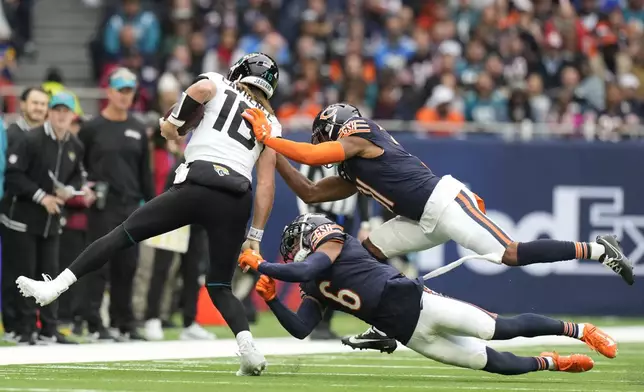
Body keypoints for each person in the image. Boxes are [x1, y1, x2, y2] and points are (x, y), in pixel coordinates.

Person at [240, 102, 635, 353]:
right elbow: (310, 192)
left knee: (508, 254)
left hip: (443, 203)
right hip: (417, 218)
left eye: (324, 135)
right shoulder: (352, 164)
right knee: (366, 252)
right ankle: (386, 324)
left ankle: (599, 248)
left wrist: (271, 139)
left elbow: (312, 152)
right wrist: (273, 156)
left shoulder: (361, 135)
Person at [17, 52, 281, 376]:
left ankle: (54, 287)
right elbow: (266, 184)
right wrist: (254, 236)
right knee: (219, 285)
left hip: (198, 184)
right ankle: (248, 348)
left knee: (121, 235)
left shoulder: (218, 82)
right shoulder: (273, 123)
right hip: (236, 197)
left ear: (238, 72)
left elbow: (199, 90)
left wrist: (172, 125)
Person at [240, 213, 617, 375]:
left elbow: (306, 268)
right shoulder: (311, 282)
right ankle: (554, 362)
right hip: (410, 334)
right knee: (493, 364)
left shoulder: (332, 241)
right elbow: (302, 327)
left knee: (498, 329)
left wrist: (262, 266)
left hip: (419, 304)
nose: (293, 253)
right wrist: (273, 299)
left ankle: (581, 330)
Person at [71, 67, 154, 341]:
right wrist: (83, 189)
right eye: (120, 90)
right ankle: (94, 321)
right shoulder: (92, 128)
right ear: (109, 92)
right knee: (99, 264)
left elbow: (145, 174)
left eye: (129, 91)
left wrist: (152, 207)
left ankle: (124, 321)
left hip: (130, 206)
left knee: (128, 265)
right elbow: (76, 165)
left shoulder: (138, 128)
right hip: (102, 206)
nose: (125, 96)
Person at [4, 92, 84, 345]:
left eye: (66, 111)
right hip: (24, 218)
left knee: (52, 274)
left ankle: (49, 328)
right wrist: (43, 197)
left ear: (72, 115)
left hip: (52, 222)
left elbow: (78, 176)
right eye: (57, 110)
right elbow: (13, 176)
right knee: (24, 274)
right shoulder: (31, 139)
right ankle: (26, 329)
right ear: (50, 112)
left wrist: (69, 191)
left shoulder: (75, 145)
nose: (61, 115)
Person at [0, 86, 48, 343]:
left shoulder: (47, 137)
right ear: (22, 105)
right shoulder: (12, 133)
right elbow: (12, 175)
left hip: (40, 216)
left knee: (37, 271)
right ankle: (13, 326)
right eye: (35, 103)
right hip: (14, 211)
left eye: (43, 104)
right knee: (15, 271)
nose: (39, 108)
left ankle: (30, 324)